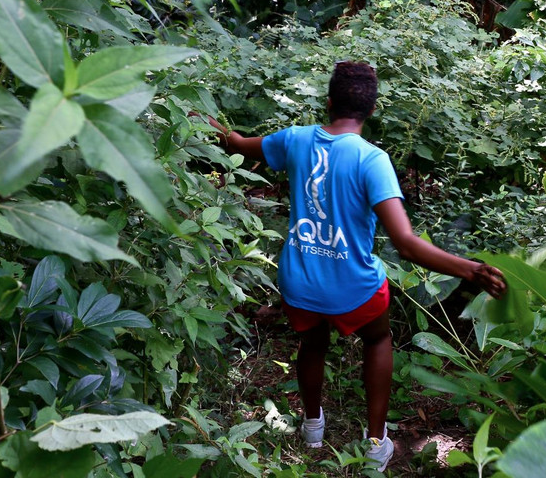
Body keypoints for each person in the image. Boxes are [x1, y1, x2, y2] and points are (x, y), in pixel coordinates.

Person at [194, 61, 506, 472]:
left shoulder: (295, 140)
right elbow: (406, 244)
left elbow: (235, 142)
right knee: (377, 339)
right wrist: (470, 270)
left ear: (328, 103)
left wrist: (199, 118)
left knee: (312, 343)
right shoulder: (372, 160)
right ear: (371, 110)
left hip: (300, 281)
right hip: (353, 287)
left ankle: (312, 427)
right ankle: (376, 444)